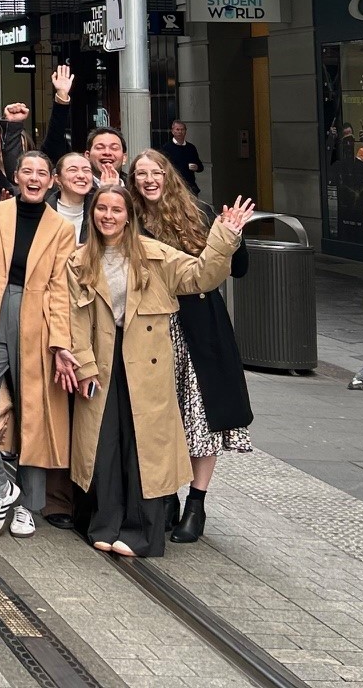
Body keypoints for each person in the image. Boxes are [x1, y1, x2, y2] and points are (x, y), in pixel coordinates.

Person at [61, 185, 254, 556]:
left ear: (129, 217)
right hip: (103, 359)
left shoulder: (157, 256)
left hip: (146, 360)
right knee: (105, 443)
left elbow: (202, 277)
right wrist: (83, 364)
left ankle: (141, 532)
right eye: (102, 209)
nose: (109, 216)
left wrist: (226, 235)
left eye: (117, 210)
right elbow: (75, 317)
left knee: (143, 445)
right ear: (93, 214)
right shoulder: (79, 260)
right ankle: (106, 522)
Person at [0, 151, 77, 539]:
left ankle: (28, 505)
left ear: (52, 180)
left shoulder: (61, 229)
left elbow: (61, 289)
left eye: (42, 172)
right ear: (17, 176)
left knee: (35, 411)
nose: (35, 178)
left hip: (38, 319)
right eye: (28, 171)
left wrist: (60, 341)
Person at [131, 149, 252, 544]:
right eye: (141, 174)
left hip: (202, 327)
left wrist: (232, 234)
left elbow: (237, 267)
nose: (149, 180)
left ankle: (196, 504)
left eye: (155, 172)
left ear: (168, 176)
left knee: (202, 417)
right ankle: (166, 495)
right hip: (155, 329)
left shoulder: (197, 212)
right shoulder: (129, 219)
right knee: (164, 416)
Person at [164, 120, 204, 192]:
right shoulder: (166, 148)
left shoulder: (191, 148)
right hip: (174, 187)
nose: (180, 132)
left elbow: (200, 167)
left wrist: (196, 167)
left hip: (190, 186)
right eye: (177, 129)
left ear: (185, 131)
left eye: (182, 129)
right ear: (172, 131)